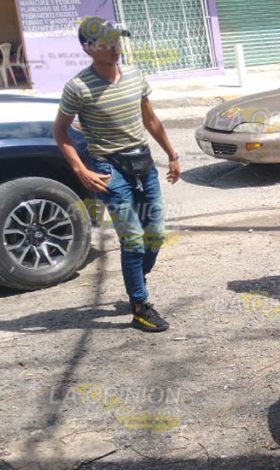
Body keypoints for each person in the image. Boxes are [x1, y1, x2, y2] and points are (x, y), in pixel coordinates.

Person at [53, 17, 181, 333]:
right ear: (87, 48)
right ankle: (139, 305)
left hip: (144, 165)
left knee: (154, 237)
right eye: (105, 42)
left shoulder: (135, 75)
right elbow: (60, 130)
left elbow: (151, 120)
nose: (114, 48)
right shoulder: (78, 87)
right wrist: (80, 169)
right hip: (108, 170)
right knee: (134, 240)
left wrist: (172, 154)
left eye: (116, 41)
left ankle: (136, 274)